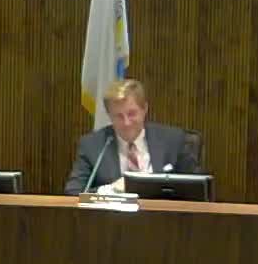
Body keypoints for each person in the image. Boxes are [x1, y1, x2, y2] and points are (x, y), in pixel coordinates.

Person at [63, 79, 200, 194]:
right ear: (109, 115)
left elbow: (197, 190)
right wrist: (110, 190)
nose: (126, 123)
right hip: (111, 217)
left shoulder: (173, 140)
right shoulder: (93, 145)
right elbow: (73, 192)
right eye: (118, 116)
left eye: (132, 114)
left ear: (144, 109)